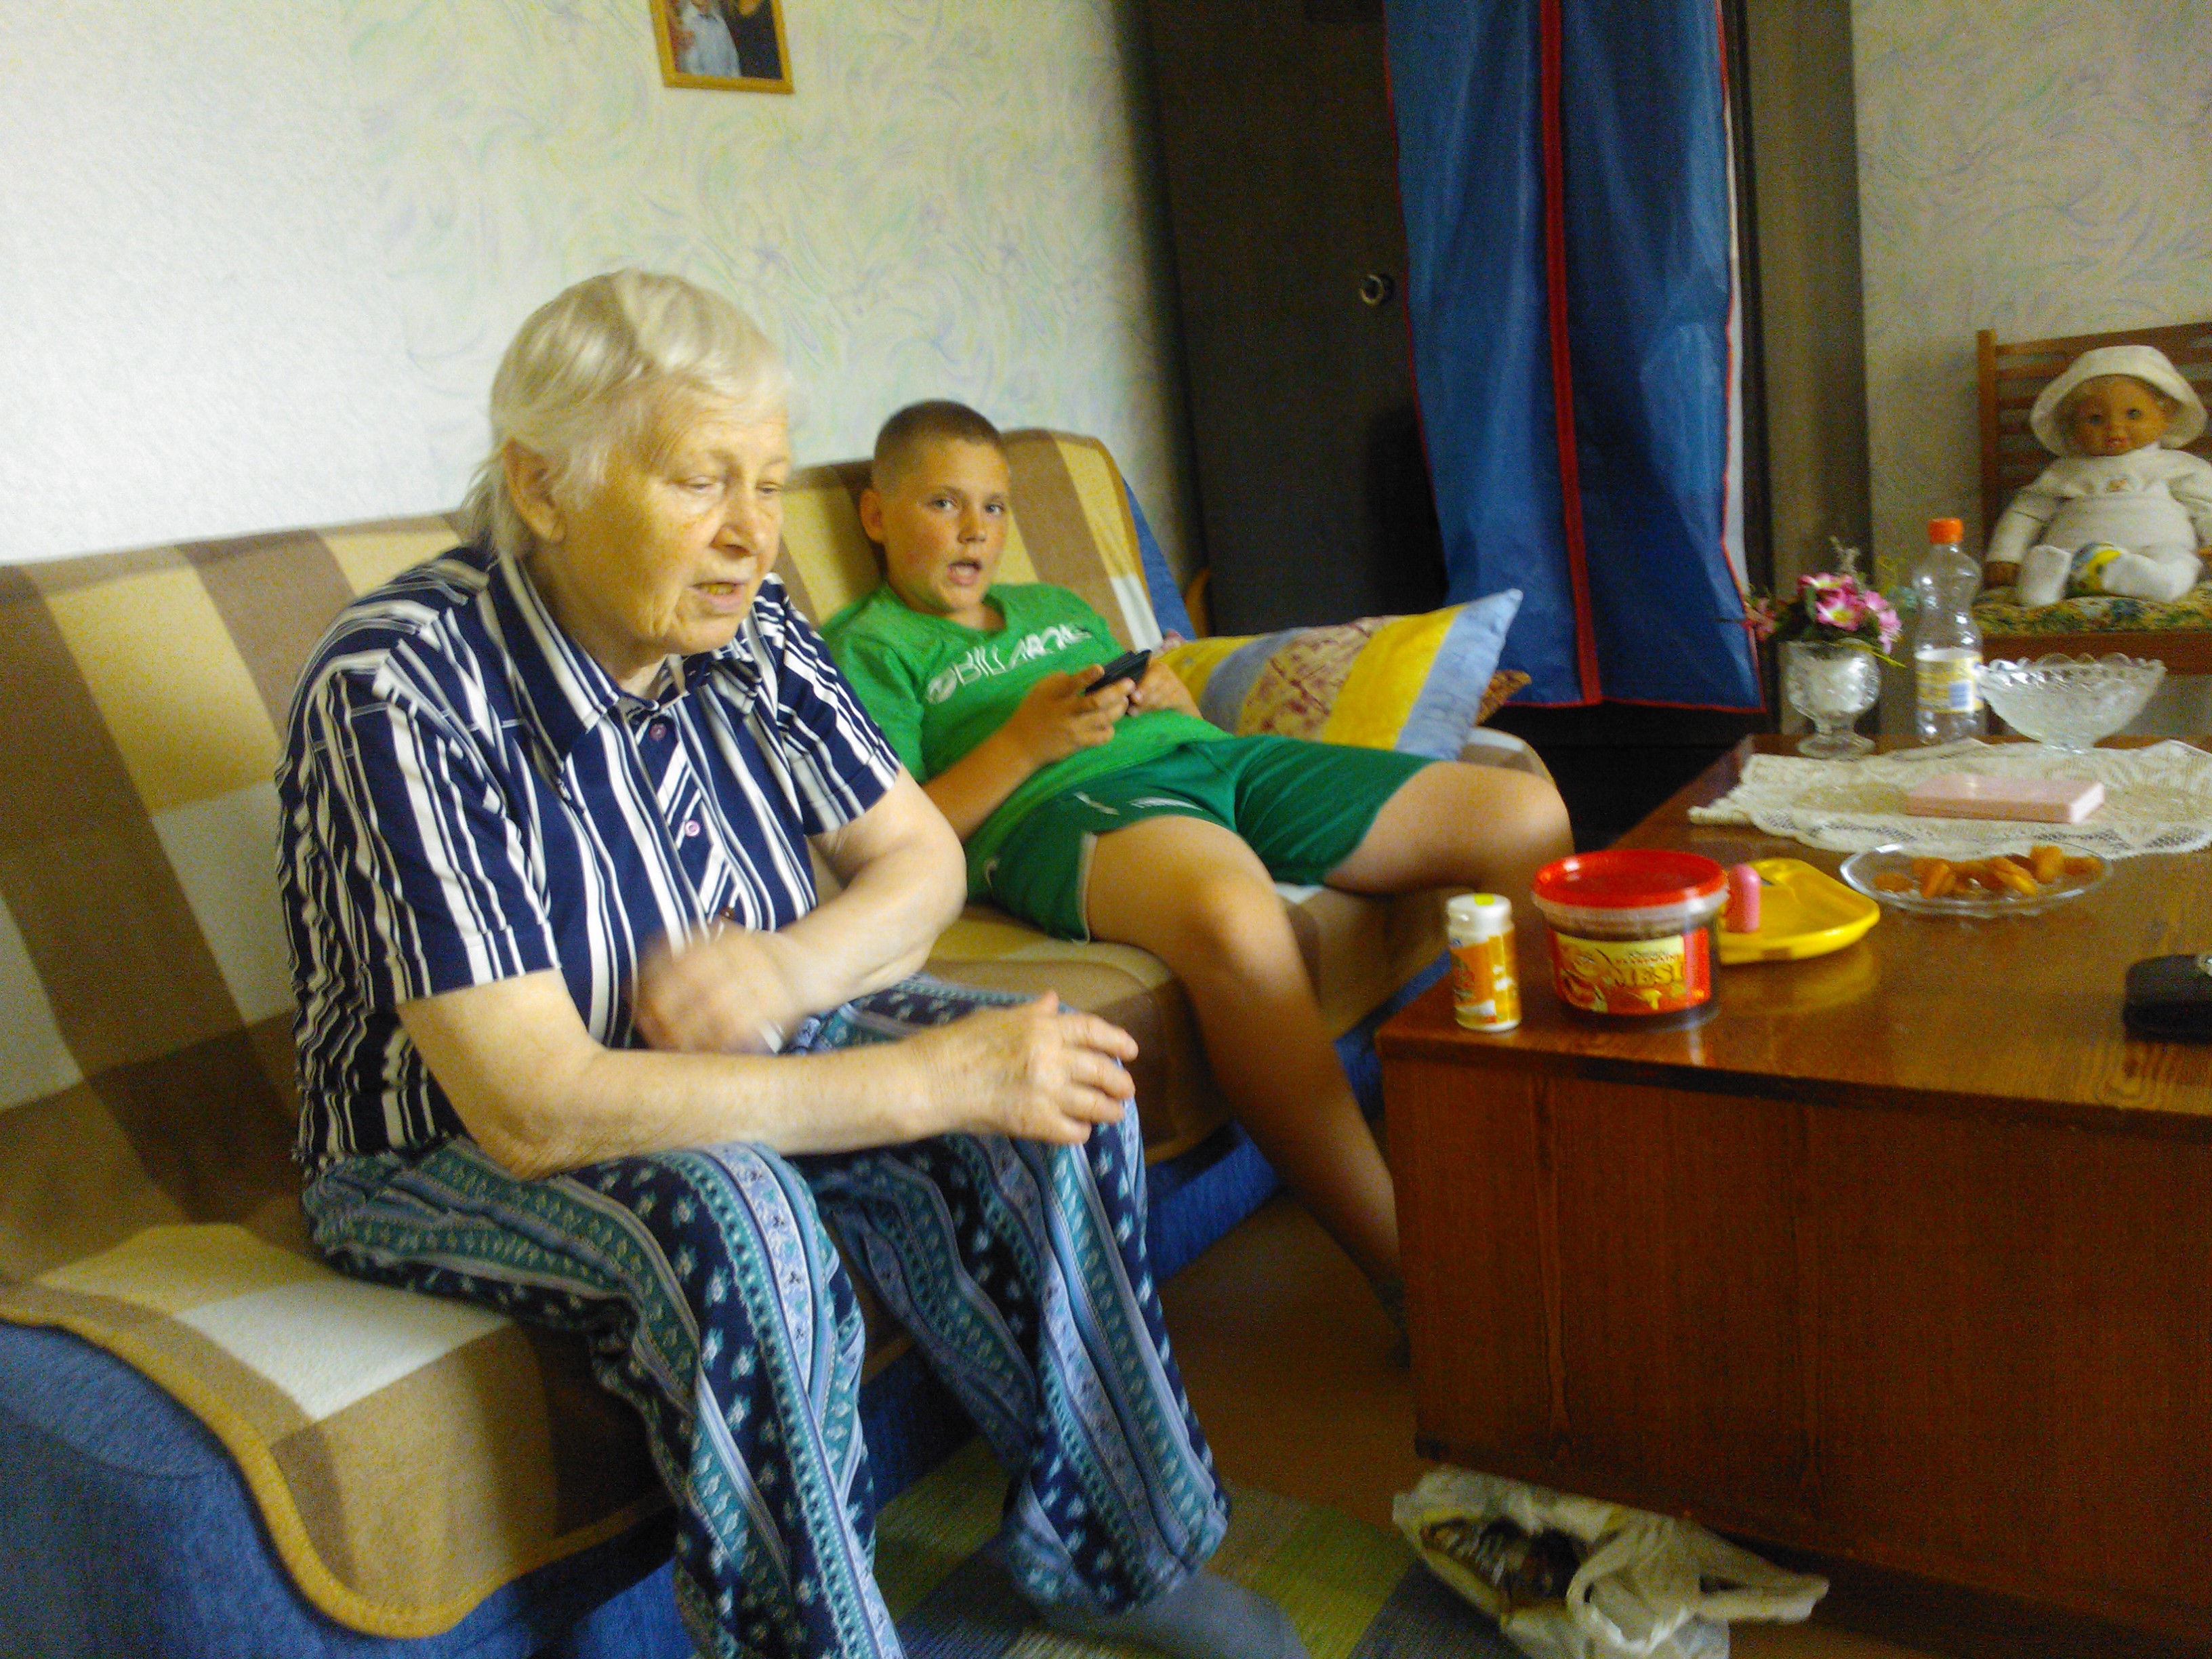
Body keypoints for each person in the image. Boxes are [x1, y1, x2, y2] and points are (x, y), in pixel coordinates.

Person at [277, 272, 1305, 1659]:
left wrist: (783, 973)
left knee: (1054, 1079)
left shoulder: (745, 622)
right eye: (702, 480)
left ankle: (1120, 1555)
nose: (752, 532)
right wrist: (918, 1082)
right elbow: (533, 1105)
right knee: (743, 1222)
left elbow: (919, 862)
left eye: (766, 482)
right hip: (442, 1144)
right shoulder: (402, 686)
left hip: (726, 1051)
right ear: (541, 484)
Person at [822, 401, 1574, 1331]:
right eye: (943, 502)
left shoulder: (1056, 608)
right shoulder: (866, 647)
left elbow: (1158, 705)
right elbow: (898, 834)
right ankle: (1414, 1279)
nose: (976, 528)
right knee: (1235, 916)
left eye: (995, 506)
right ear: (876, 514)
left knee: (1521, 815)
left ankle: (1532, 1159)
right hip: (1070, 808)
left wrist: (1171, 698)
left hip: (1215, 762)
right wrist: (1023, 744)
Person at [1984, 343, 2212, 607]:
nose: (2114, 428)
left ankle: (2146, 578)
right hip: (2076, 557)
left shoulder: (2180, 466)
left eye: (2133, 414)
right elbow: (2026, 513)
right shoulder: (2064, 471)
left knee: (2180, 562)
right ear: (2072, 426)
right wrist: (2005, 555)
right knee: (2039, 583)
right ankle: (2045, 577)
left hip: (2155, 554)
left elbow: (2207, 508)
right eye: (2095, 419)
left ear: (2166, 415)